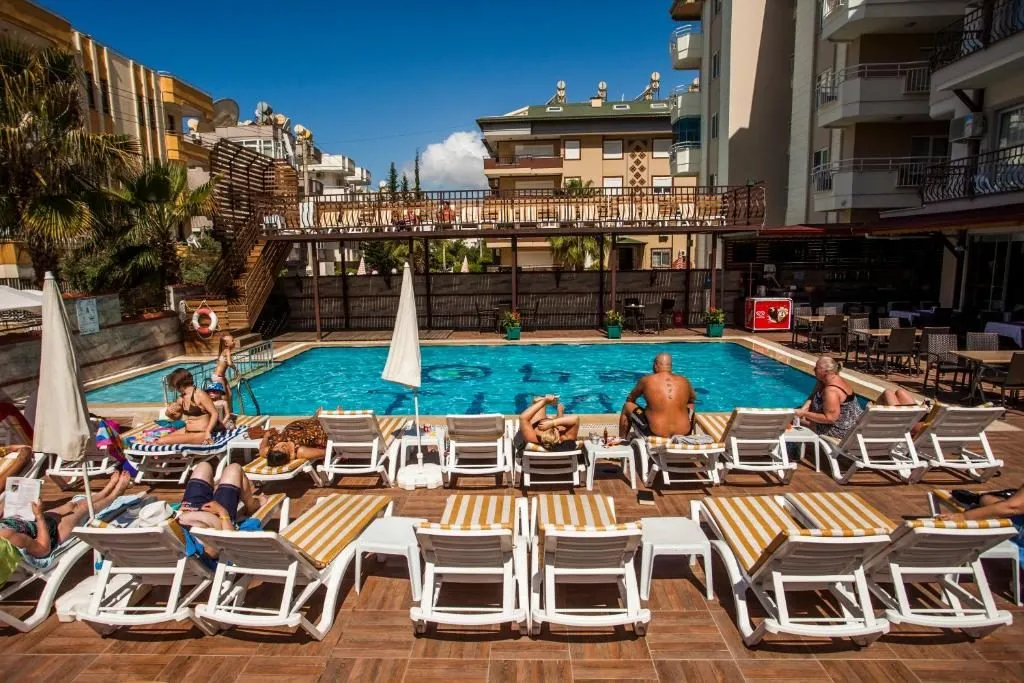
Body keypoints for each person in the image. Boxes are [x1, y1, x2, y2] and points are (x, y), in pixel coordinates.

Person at [0, 471, 132, 561]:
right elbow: (43, 549)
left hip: (23, 519)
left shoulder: (6, 535)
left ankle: (104, 491)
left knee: (71, 505)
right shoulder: (8, 537)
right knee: (81, 509)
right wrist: (39, 515)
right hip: (49, 533)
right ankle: (115, 494)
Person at [619, 352, 695, 438]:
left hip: (654, 433)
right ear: (670, 366)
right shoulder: (684, 380)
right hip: (684, 433)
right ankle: (689, 434)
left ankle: (622, 439)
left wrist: (649, 408)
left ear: (655, 365)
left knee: (627, 406)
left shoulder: (646, 380)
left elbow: (630, 399)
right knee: (691, 405)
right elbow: (691, 400)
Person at [795, 356, 863, 440]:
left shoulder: (831, 391)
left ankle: (802, 447)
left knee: (791, 419)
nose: (814, 370)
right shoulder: (829, 380)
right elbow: (813, 395)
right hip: (850, 424)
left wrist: (804, 413)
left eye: (816, 368)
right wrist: (804, 409)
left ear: (825, 372)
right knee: (796, 413)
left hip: (840, 431)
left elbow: (830, 419)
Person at [156, 368, 221, 445]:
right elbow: (177, 418)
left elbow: (214, 413)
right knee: (160, 440)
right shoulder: (181, 398)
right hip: (187, 431)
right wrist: (168, 413)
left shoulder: (200, 395)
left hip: (201, 433)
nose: (175, 388)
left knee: (161, 441)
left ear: (178, 383)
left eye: (174, 385)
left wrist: (208, 432)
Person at [258, 416, 328, 467]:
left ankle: (314, 417)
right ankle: (318, 418)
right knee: (323, 419)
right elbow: (326, 453)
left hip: (298, 425)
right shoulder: (301, 452)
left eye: (276, 447)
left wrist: (266, 437)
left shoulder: (268, 452)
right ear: (288, 455)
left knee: (314, 418)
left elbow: (262, 450)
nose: (281, 445)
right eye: (284, 448)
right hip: (316, 429)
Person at [211, 334, 238, 412]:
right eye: (232, 340)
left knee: (230, 394)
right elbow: (229, 363)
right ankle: (225, 413)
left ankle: (230, 411)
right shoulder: (227, 350)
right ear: (226, 344)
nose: (234, 342)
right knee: (224, 396)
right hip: (218, 377)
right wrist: (235, 369)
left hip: (221, 377)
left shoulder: (225, 351)